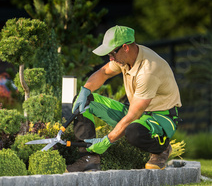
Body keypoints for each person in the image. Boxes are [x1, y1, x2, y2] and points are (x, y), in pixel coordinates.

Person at [67, 25, 182, 172]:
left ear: (125, 47)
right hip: (136, 110)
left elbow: (133, 116)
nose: (110, 58)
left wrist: (106, 141)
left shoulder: (148, 71)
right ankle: (89, 158)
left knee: (133, 131)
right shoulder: (125, 59)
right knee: (83, 101)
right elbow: (104, 73)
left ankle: (162, 148)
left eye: (112, 53)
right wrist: (85, 90)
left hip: (160, 117)